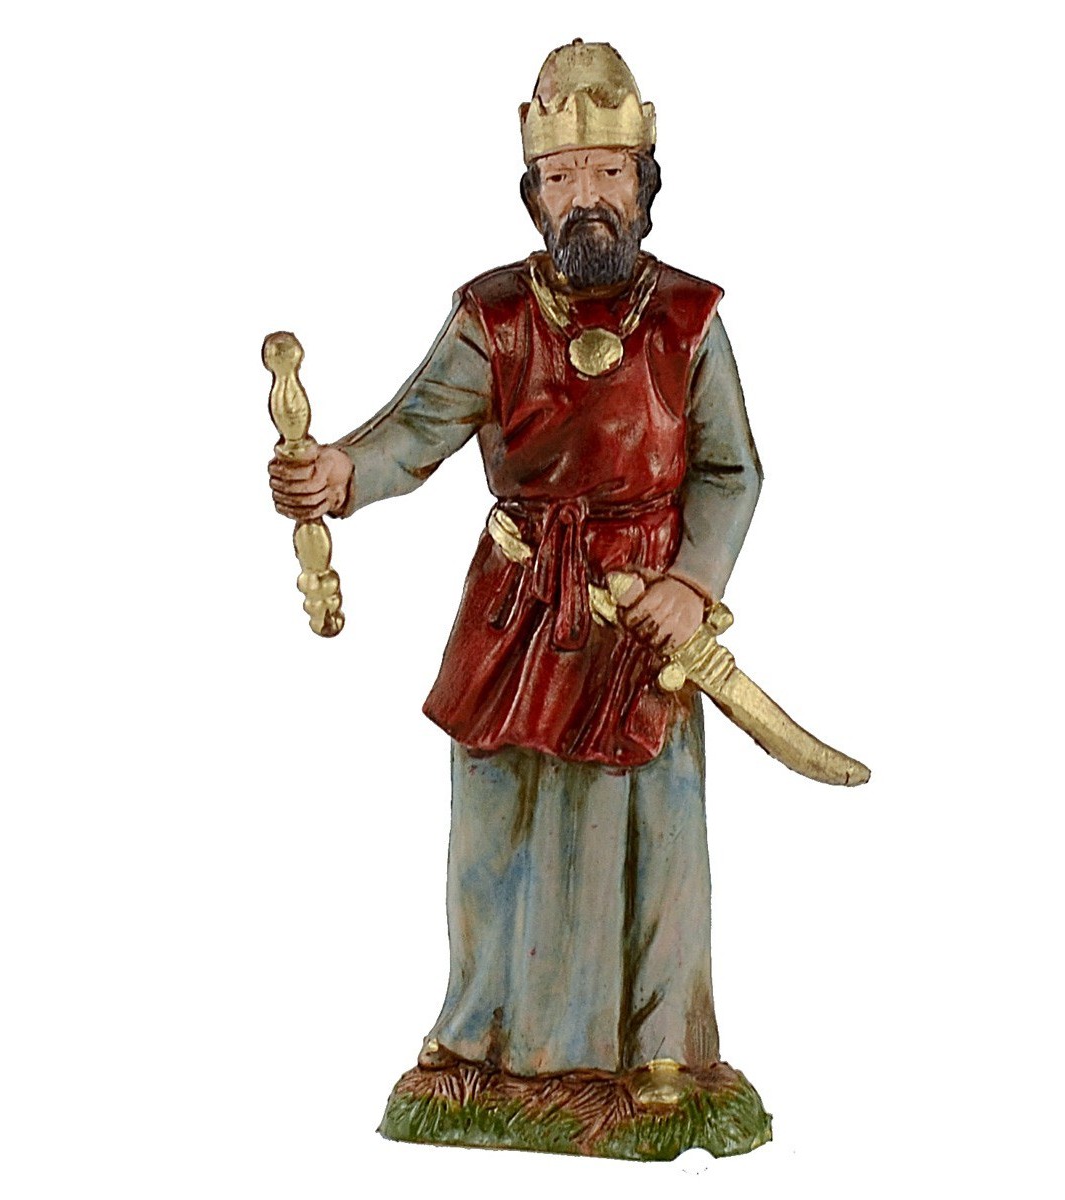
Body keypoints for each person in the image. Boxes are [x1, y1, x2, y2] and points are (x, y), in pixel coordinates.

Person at [269, 40, 767, 1156]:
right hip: (518, 604)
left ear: (644, 183)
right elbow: (415, 430)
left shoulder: (689, 320)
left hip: (640, 611)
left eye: (607, 172)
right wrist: (338, 474)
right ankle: (481, 1036)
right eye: (563, 175)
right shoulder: (493, 316)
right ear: (532, 190)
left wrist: (692, 584)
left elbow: (732, 471)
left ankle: (659, 1051)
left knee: (648, 825)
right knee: (491, 820)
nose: (586, 196)